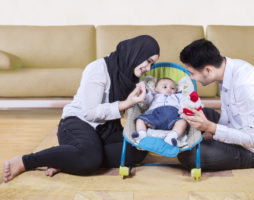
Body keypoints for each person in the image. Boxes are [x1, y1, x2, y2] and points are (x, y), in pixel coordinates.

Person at [3, 35, 160, 183]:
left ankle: (66, 158)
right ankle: (26, 161)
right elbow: (90, 112)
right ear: (136, 53)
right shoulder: (98, 68)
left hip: (106, 128)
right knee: (91, 159)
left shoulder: (131, 77)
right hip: (78, 123)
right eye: (147, 61)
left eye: (152, 63)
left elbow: (139, 110)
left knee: (138, 149)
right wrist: (126, 103)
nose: (148, 67)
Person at [177, 39, 254, 171]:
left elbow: (253, 139)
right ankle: (191, 137)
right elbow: (228, 115)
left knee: (189, 156)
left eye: (192, 73)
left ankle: (192, 141)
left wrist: (211, 127)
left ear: (208, 70)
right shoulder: (227, 69)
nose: (191, 78)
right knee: (194, 112)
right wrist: (212, 131)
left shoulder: (246, 84)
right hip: (239, 128)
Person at [131, 78, 188, 146]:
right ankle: (142, 135)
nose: (169, 89)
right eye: (165, 87)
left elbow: (184, 103)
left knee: (183, 122)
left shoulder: (178, 96)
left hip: (172, 118)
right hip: (154, 116)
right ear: (156, 89)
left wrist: (183, 111)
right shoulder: (154, 96)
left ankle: (171, 137)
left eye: (172, 88)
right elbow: (145, 101)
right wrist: (145, 92)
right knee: (140, 119)